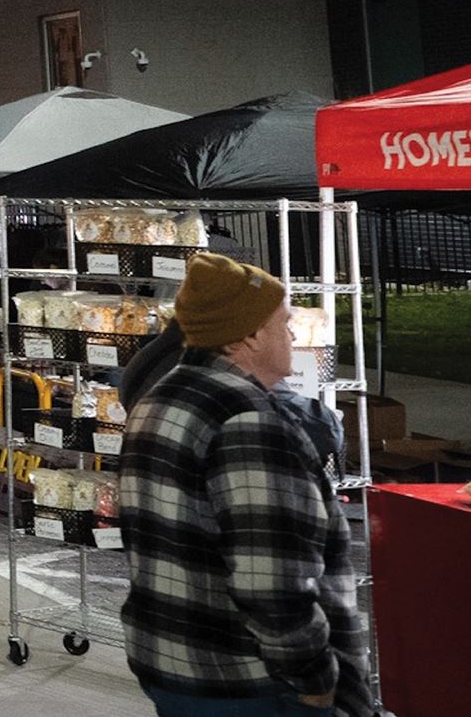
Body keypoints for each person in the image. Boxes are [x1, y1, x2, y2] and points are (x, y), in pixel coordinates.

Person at [118, 255, 368, 716]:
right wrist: (315, 677)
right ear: (249, 335)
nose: (292, 335)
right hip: (248, 682)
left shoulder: (161, 398)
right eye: (283, 322)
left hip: (173, 663)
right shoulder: (248, 419)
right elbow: (273, 582)